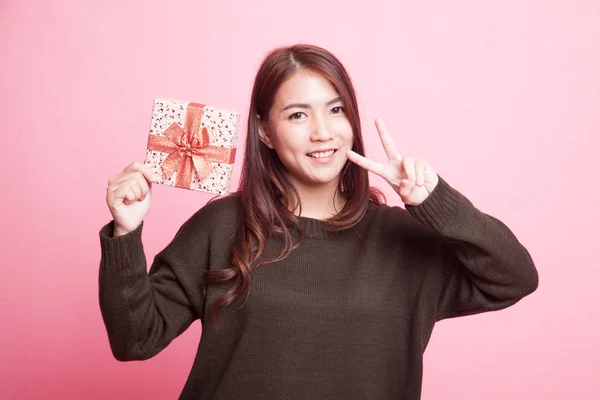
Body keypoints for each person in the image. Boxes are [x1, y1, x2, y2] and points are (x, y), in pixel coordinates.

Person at [100, 44, 538, 399]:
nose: (322, 132)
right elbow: (135, 338)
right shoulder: (222, 225)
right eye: (297, 115)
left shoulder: (404, 238)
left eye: (336, 110)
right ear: (265, 132)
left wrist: (435, 202)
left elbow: (514, 277)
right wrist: (126, 230)